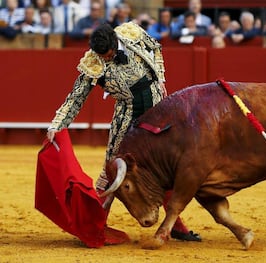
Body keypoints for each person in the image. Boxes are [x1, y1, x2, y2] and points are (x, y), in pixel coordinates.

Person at [46, 22, 201, 244]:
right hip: (127, 116)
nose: (106, 60)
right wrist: (57, 124)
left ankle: (176, 226)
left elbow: (155, 48)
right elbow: (76, 97)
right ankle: (95, 226)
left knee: (164, 168)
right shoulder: (94, 61)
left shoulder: (131, 32)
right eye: (102, 56)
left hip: (158, 109)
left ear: (115, 42)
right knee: (112, 170)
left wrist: (160, 77)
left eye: (108, 55)